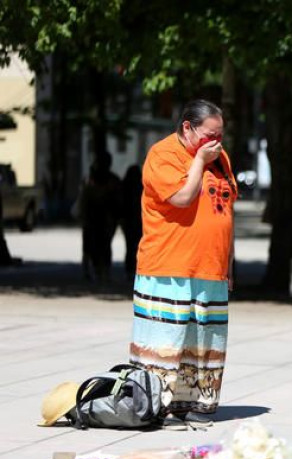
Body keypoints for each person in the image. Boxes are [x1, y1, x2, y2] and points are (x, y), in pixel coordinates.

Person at [129, 99, 236, 426]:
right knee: (168, 342)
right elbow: (182, 197)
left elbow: (226, 210)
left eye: (219, 135)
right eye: (208, 135)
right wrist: (200, 162)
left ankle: (198, 405)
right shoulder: (163, 155)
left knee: (204, 342)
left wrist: (229, 265)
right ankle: (154, 406)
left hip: (211, 267)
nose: (215, 142)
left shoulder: (220, 157)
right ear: (187, 127)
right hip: (168, 267)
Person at [79, 151, 121, 283]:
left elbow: (84, 199)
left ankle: (96, 270)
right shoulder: (109, 180)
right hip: (100, 218)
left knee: (96, 245)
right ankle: (100, 271)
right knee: (99, 245)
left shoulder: (91, 180)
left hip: (99, 218)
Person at [121, 165, 143, 281]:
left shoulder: (125, 187)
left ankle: (130, 270)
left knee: (130, 246)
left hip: (129, 221)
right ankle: (133, 269)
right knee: (135, 246)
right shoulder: (141, 187)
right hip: (137, 221)